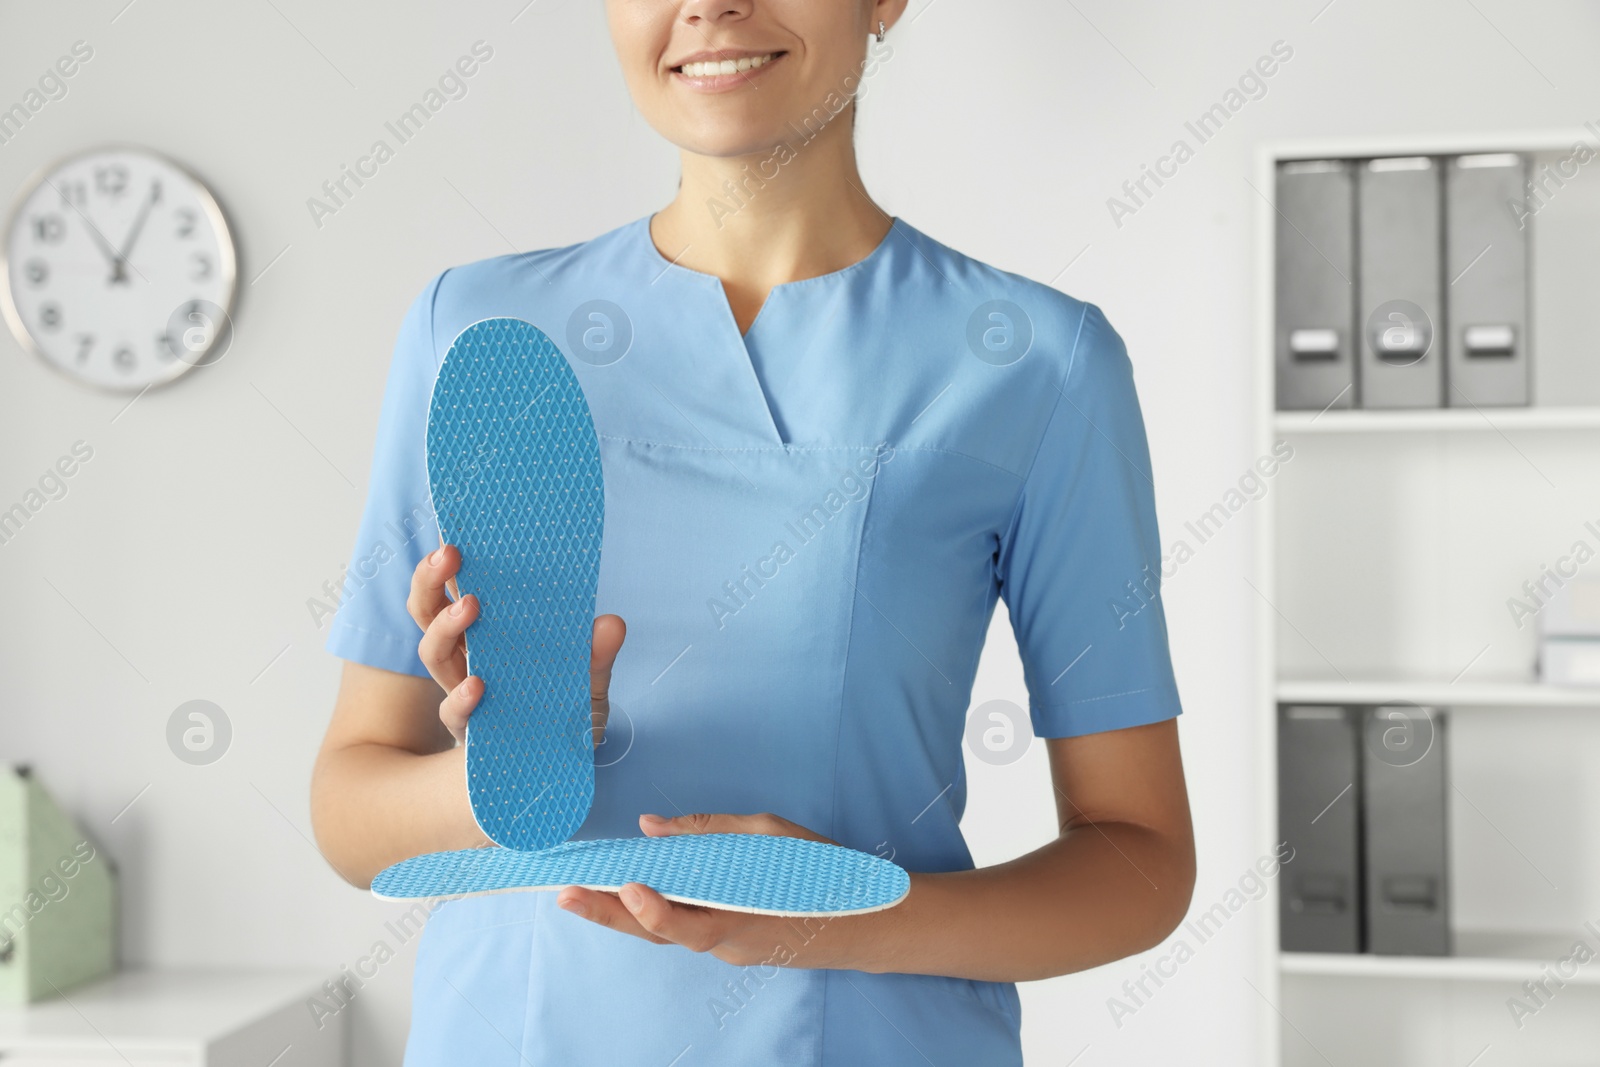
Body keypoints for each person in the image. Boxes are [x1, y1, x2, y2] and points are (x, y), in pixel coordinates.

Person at [310, 1, 1195, 1063]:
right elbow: (349, 813)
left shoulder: (1034, 363)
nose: (709, 8)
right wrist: (512, 770)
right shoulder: (479, 331)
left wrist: (853, 919)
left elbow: (1141, 861)